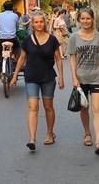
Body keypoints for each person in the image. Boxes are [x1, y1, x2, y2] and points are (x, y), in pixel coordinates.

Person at [11, 12, 64, 150]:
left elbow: (58, 58)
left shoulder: (52, 40)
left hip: (47, 77)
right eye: (36, 22)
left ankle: (49, 133)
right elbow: (22, 58)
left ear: (44, 23)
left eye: (41, 22)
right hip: (31, 78)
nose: (39, 24)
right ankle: (32, 139)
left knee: (48, 107)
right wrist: (15, 76)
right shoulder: (27, 40)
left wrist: (61, 78)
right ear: (32, 24)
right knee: (33, 107)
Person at [68, 7, 99, 156]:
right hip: (81, 78)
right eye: (82, 19)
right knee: (84, 108)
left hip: (97, 76)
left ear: (92, 19)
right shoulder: (74, 37)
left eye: (88, 18)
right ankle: (87, 133)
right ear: (79, 20)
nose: (85, 21)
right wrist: (74, 78)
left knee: (97, 108)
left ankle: (98, 142)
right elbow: (72, 58)